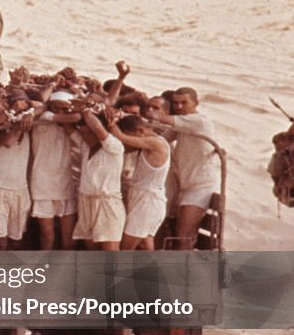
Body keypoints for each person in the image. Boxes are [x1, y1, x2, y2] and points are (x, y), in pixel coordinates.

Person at [144, 87, 220, 250]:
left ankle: (183, 270)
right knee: (179, 231)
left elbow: (162, 118)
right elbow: (162, 141)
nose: (179, 107)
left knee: (184, 234)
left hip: (201, 187)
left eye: (184, 103)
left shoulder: (198, 121)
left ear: (196, 103)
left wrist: (151, 116)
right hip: (185, 186)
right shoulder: (183, 124)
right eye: (176, 103)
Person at [0, 97, 33, 251]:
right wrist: (15, 119)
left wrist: (31, 114)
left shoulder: (30, 127)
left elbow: (42, 105)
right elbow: (7, 141)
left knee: (16, 240)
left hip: (19, 190)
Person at [109, 115, 171, 251]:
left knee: (125, 249)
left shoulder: (157, 143)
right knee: (145, 244)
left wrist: (111, 121)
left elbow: (121, 137)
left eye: (132, 138)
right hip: (144, 201)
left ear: (140, 131)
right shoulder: (147, 143)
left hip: (147, 203)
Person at [29, 91, 81, 250]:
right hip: (42, 185)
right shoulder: (42, 120)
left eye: (64, 109)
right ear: (49, 107)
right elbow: (75, 116)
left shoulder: (72, 129)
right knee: (47, 236)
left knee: (68, 237)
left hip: (65, 185)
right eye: (56, 108)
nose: (60, 112)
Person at [71, 108, 126, 251]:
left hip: (107, 204)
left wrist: (86, 108)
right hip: (86, 202)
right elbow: (69, 129)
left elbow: (96, 126)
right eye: (83, 133)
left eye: (90, 133)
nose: (86, 137)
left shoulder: (114, 146)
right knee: (92, 251)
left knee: (110, 253)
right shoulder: (86, 147)